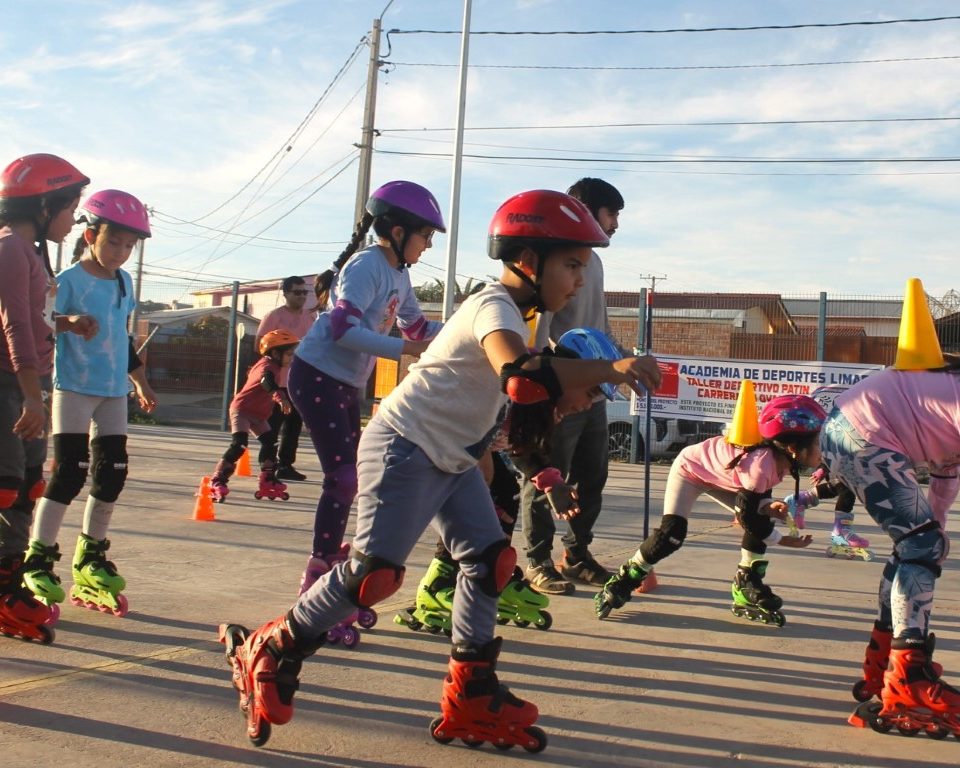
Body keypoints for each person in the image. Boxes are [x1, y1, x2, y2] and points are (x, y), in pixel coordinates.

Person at [216, 188, 662, 751]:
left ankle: (469, 692)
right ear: (529, 260)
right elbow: (521, 377)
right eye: (571, 264)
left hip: (451, 457)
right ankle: (273, 647)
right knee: (373, 575)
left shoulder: (535, 316)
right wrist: (616, 366)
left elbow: (525, 406)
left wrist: (548, 471)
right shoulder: (494, 305)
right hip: (404, 445)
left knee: (490, 559)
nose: (580, 278)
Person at [396, 327, 622, 636]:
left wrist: (552, 482)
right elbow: (480, 421)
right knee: (479, 497)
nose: (589, 405)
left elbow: (525, 446)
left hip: (466, 441)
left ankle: (491, 571)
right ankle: (439, 582)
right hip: (427, 435)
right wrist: (481, 461)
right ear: (569, 375)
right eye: (592, 393)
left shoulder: (545, 403)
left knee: (504, 495)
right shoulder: (525, 386)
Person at [288, 180, 444, 613]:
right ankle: (315, 579)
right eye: (426, 235)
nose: (428, 246)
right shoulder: (366, 266)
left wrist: (469, 331)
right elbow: (341, 330)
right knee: (343, 478)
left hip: (344, 382)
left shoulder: (399, 276)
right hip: (316, 374)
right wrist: (404, 350)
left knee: (353, 476)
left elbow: (417, 328)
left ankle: (331, 560)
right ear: (397, 231)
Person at [20, 189, 157, 619]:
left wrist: (140, 383)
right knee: (68, 474)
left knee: (112, 473)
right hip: (74, 388)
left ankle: (90, 557)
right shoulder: (67, 281)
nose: (120, 252)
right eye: (113, 242)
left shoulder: (124, 282)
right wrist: (69, 322)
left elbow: (123, 337)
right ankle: (38, 558)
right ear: (90, 236)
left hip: (114, 391)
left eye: (128, 246)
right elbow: (39, 322)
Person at [595, 394, 824, 626]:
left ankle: (747, 581)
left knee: (762, 515)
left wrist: (768, 506)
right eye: (817, 443)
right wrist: (783, 540)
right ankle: (626, 577)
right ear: (794, 448)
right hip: (690, 471)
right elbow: (748, 518)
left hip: (721, 477)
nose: (822, 449)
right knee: (672, 534)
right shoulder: (761, 464)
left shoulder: (780, 459)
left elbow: (756, 504)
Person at [829, 362, 960, 735]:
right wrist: (928, 544)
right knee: (920, 544)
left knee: (917, 545)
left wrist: (934, 539)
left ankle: (886, 660)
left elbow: (945, 476)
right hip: (861, 433)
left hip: (854, 430)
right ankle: (907, 676)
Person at [0, 153, 91, 641]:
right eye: (70, 205)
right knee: (6, 485)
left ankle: (10, 585)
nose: (74, 216)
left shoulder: (28, 251)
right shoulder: (11, 247)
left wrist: (66, 323)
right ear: (43, 202)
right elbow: (13, 323)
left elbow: (32, 318)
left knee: (30, 484)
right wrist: (32, 399)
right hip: (11, 384)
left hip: (23, 383)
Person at [520, 177, 625, 595]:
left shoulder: (591, 260)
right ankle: (537, 559)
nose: (615, 223)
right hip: (561, 390)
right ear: (585, 209)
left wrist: (616, 363)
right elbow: (539, 329)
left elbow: (598, 319)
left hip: (594, 388)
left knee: (592, 476)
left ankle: (577, 554)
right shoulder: (555, 259)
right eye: (611, 213)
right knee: (547, 474)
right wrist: (548, 378)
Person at [208, 329, 299, 503]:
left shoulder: (273, 365)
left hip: (258, 414)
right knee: (240, 445)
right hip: (242, 410)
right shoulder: (266, 366)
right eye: (289, 354)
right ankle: (218, 479)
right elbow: (266, 381)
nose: (291, 358)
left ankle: (267, 478)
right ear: (275, 353)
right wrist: (281, 398)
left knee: (271, 443)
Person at [255, 276, 316, 482]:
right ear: (286, 293)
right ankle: (267, 466)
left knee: (293, 427)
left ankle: (286, 465)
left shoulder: (309, 317)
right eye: (297, 292)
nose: (301, 296)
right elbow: (259, 346)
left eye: (304, 292)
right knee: (271, 426)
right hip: (277, 382)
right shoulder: (274, 316)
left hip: (300, 382)